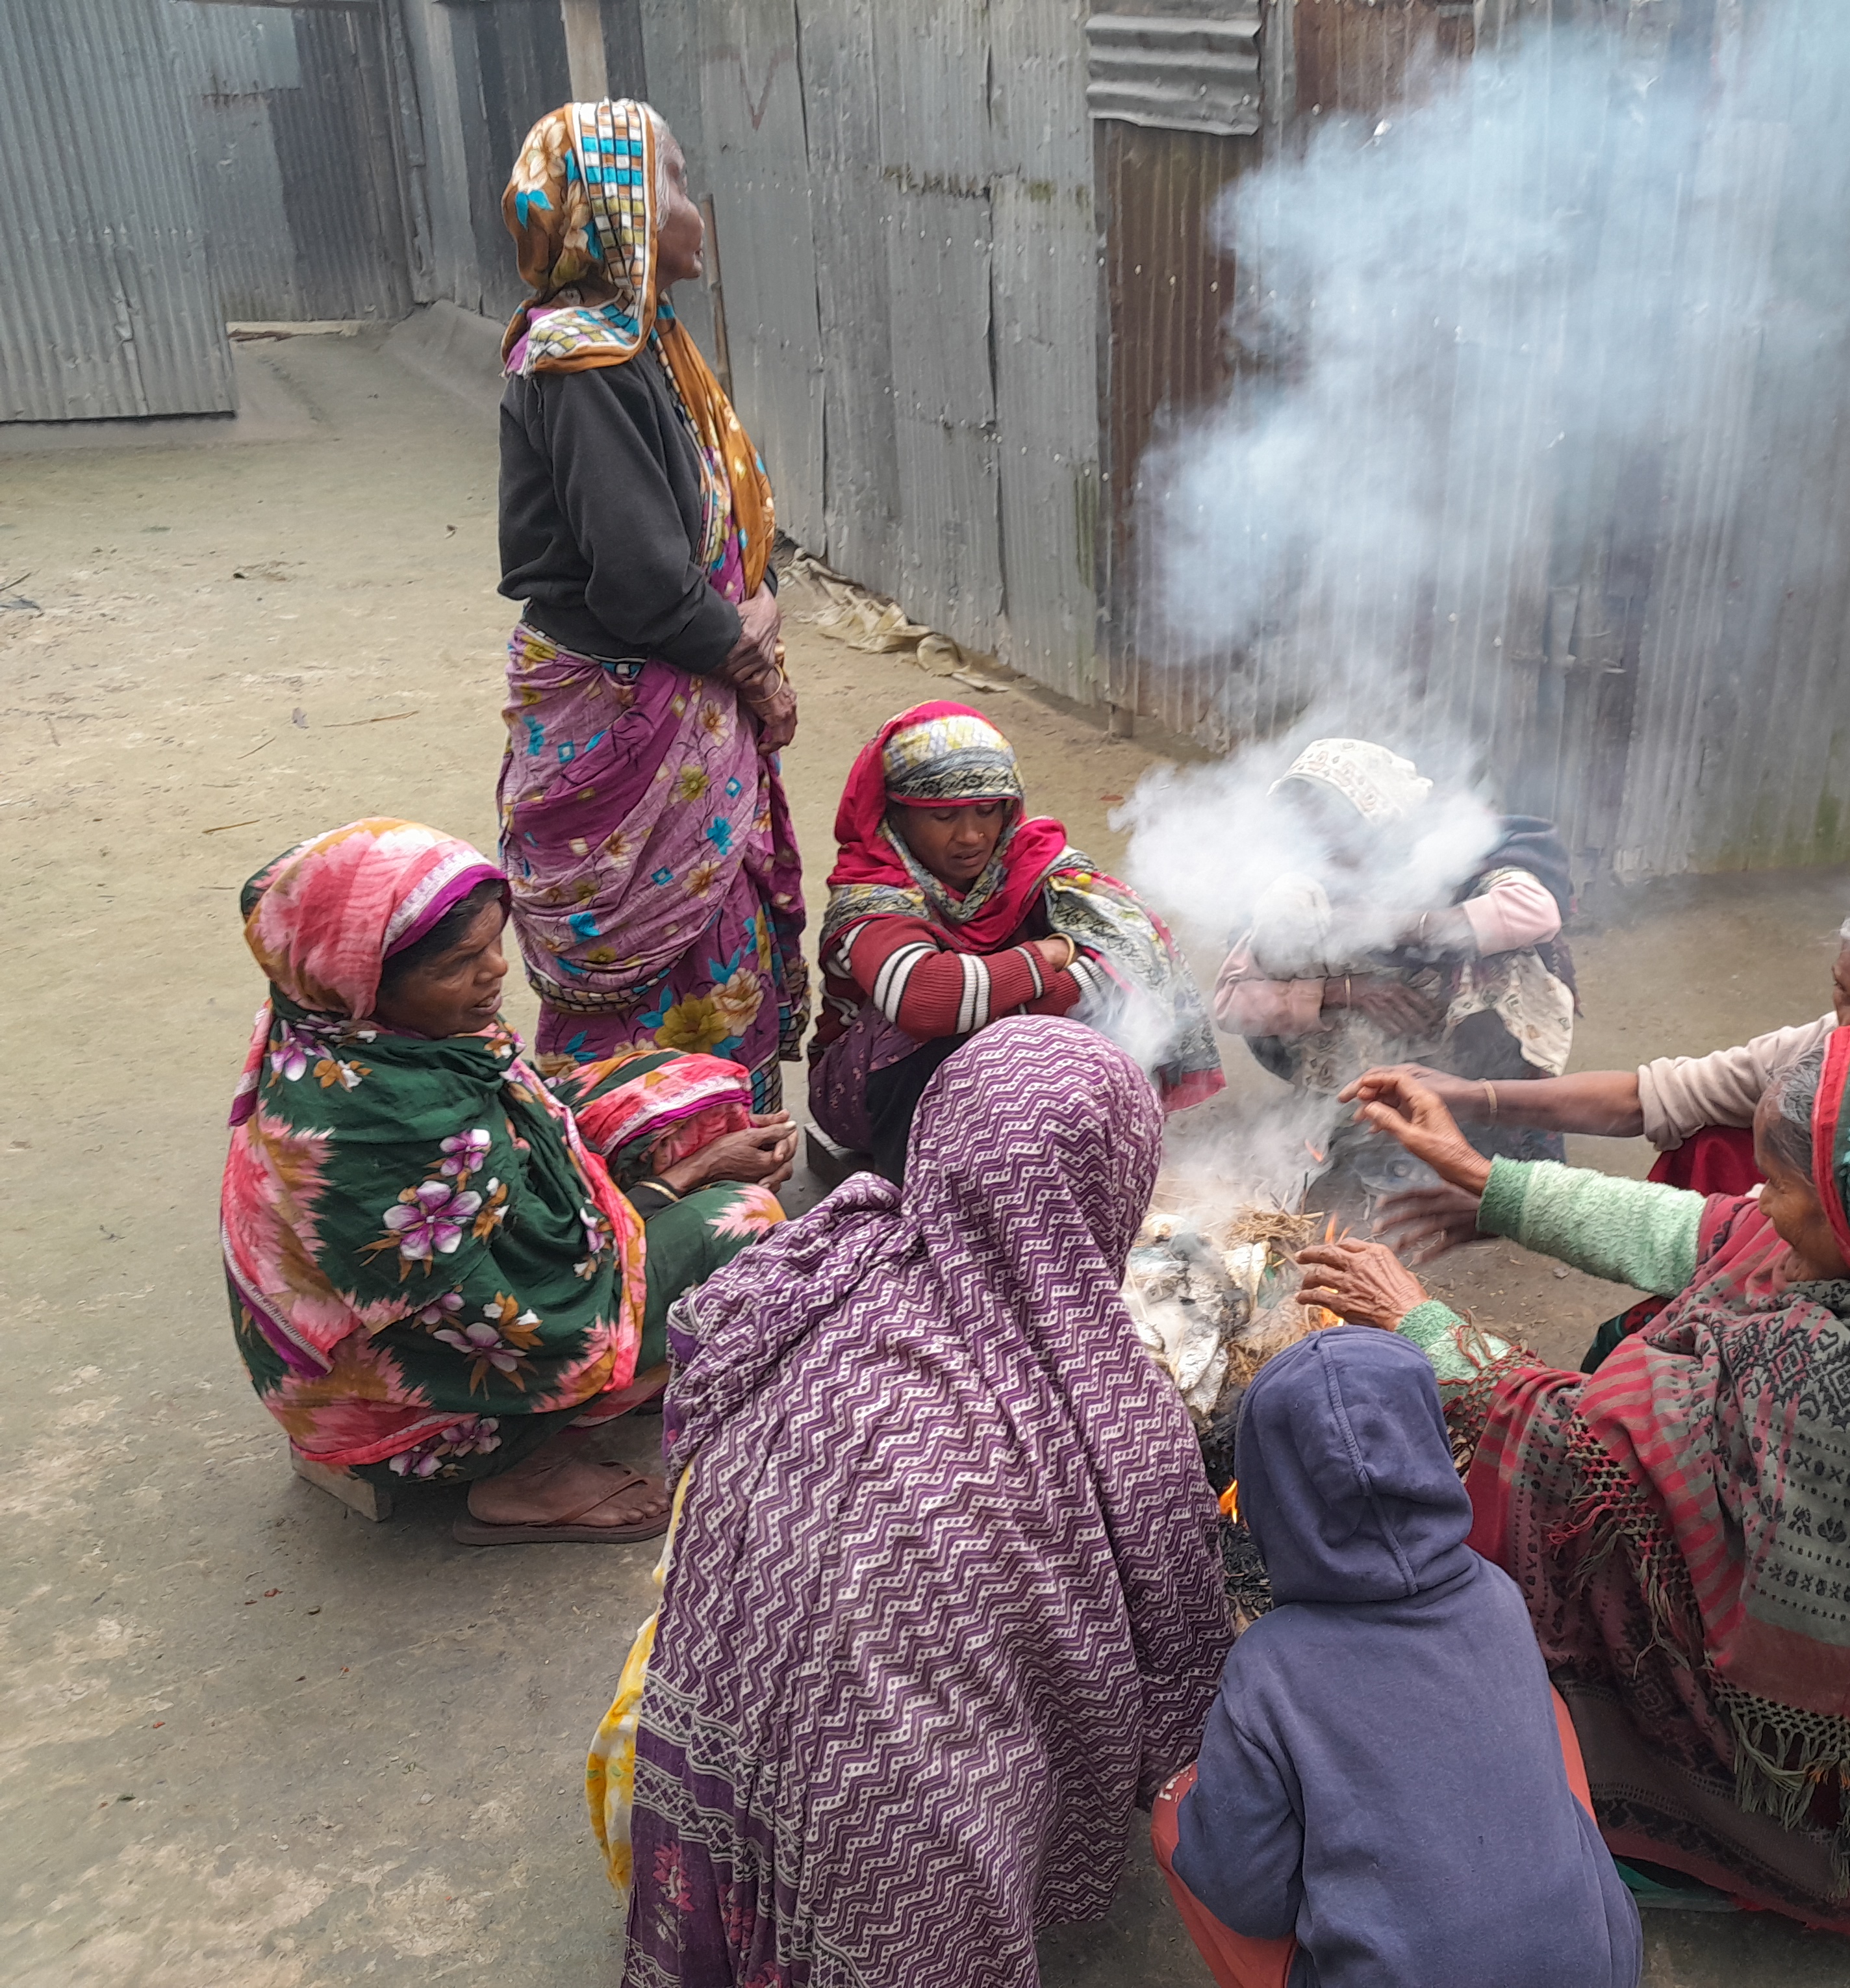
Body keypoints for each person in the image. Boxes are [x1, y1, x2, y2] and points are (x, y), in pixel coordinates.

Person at [1289, 1030, 1850, 1934]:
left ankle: (1702, 1831)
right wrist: (1481, 1177)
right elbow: (1702, 1232)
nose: (1760, 1202)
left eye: (1784, 1186)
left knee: (1560, 1548)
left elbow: (1588, 1462)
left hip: (1842, 1793)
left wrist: (1428, 1332)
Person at [615, 1018, 1232, 1986]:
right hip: (899, 1834)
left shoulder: (819, 1280)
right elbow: (1184, 1674)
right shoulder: (1111, 1406)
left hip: (729, 1742)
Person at [222, 821, 797, 1546]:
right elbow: (538, 1309)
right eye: (460, 963)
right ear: (364, 979)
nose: (496, 971)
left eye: (496, 941)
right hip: (417, 1423)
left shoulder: (330, 1032)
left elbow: (532, 1151)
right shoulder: (400, 1130)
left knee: (686, 1097)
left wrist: (679, 1166)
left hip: (444, 1318)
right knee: (748, 1220)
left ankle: (645, 1357)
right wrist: (687, 1181)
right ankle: (524, 1474)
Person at [1365, 871, 1850, 1362]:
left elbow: (1576, 1444)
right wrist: (1476, 1121)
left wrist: (1441, 1336)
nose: (1847, 1028)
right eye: (1839, 994)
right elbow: (1655, 1101)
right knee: (1741, 1126)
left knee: (1636, 1383)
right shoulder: (1843, 1053)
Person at [1153, 1327, 1641, 1988]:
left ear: (1265, 1501)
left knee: (1175, 1815)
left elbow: (1249, 1898)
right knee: (1548, 1719)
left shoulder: (1268, 1669)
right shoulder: (1495, 1594)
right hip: (1600, 1967)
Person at [495, 99, 807, 1110]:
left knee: (713, 921)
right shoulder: (586, 363)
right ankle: (662, 1153)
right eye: (675, 180)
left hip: (680, 684)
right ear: (618, 208)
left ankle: (723, 1137)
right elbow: (640, 580)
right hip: (634, 699)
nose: (695, 205)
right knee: (659, 944)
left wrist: (756, 598)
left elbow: (721, 521)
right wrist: (748, 653)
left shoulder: (647, 346)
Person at [808, 700, 1223, 1177]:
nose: (971, 836)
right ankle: (913, 1202)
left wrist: (1003, 1005)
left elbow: (1128, 960)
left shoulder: (1033, 861)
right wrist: (1045, 957)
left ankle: (1094, 1174)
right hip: (862, 1096)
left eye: (988, 811)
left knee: (1113, 1012)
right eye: (944, 817)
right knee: (915, 1027)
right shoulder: (871, 888)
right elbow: (924, 998)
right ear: (897, 815)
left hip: (994, 1072)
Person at [1210, 739, 1578, 1171]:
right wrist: (1347, 991)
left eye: (1331, 823)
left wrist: (1392, 922)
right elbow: (1231, 1003)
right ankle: (1353, 1102)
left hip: (1461, 1036)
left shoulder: (1452, 841)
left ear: (1374, 816)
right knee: (1290, 944)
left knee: (1503, 960)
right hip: (1363, 1034)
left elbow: (1535, 913)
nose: (1319, 839)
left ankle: (1495, 1111)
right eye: (1305, 825)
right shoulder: (1297, 881)